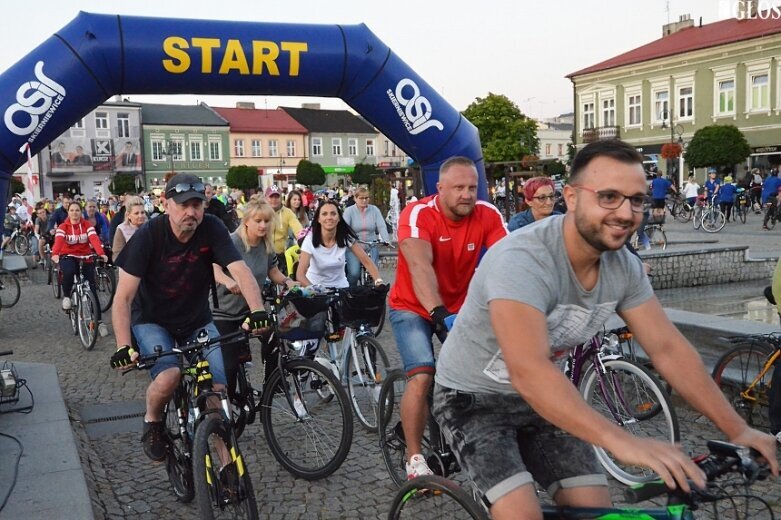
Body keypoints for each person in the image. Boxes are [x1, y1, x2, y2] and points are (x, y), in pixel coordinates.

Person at [431, 140, 778, 520]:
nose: (626, 212)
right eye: (609, 196)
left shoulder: (622, 266)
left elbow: (668, 349)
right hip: (473, 398)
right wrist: (623, 442)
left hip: (546, 399)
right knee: (520, 513)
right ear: (572, 197)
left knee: (596, 510)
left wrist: (737, 429)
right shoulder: (523, 259)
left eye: (637, 200)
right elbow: (528, 368)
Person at [109, 173, 269, 463]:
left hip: (196, 319)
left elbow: (240, 270)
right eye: (183, 204)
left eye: (197, 204)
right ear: (165, 203)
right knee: (170, 376)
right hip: (152, 319)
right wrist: (123, 345)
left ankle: (226, 465)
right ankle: (153, 422)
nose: (190, 212)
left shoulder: (212, 228)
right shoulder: (149, 235)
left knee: (217, 391)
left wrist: (257, 310)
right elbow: (123, 298)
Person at [388, 156, 508, 479]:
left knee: (481, 372)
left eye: (472, 187)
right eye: (458, 188)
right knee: (423, 373)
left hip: (459, 307)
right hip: (411, 306)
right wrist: (439, 313)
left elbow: (509, 261)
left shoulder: (487, 214)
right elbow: (419, 266)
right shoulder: (417, 214)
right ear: (439, 188)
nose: (467, 194)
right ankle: (414, 460)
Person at [212, 195, 297, 397]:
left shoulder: (266, 245)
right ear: (246, 221)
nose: (263, 225)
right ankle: (227, 408)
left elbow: (273, 271)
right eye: (258, 221)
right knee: (229, 367)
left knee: (275, 335)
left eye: (267, 221)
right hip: (224, 311)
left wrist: (287, 281)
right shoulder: (232, 241)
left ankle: (272, 381)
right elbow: (213, 268)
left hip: (251, 309)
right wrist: (228, 281)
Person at [51, 201, 109, 336]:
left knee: (92, 289)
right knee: (69, 271)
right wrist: (55, 254)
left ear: (81, 212)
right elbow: (58, 241)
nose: (74, 213)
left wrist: (100, 253)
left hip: (85, 256)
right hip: (68, 255)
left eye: (77, 210)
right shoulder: (63, 226)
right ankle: (66, 296)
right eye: (72, 210)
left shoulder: (86, 225)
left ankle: (99, 322)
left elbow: (94, 239)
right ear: (68, 212)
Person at [296, 200, 383, 289]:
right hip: (315, 289)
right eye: (324, 214)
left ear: (339, 218)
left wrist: (378, 281)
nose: (329, 217)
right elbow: (300, 274)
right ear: (318, 219)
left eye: (333, 214)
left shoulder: (345, 237)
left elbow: (366, 260)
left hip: (340, 288)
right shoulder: (310, 240)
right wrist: (315, 289)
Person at [342, 186, 391, 287]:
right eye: (361, 198)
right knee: (354, 273)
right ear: (355, 198)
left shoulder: (374, 210)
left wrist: (386, 240)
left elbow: (381, 225)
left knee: (373, 272)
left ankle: (372, 294)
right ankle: (350, 292)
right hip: (354, 247)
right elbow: (344, 229)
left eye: (366, 198)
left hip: (371, 245)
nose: (364, 200)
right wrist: (349, 241)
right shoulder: (349, 211)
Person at [267, 185, 302, 275]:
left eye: (277, 196)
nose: (274, 199)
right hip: (262, 254)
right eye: (271, 197)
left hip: (280, 255)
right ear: (266, 198)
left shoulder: (288, 212)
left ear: (281, 197)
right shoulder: (261, 212)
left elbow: (299, 230)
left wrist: (304, 242)